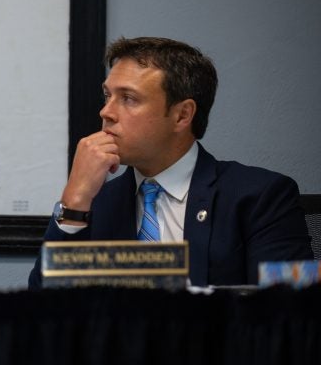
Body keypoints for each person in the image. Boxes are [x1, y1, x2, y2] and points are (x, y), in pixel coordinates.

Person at [29, 36, 312, 288]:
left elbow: (291, 314)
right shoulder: (95, 204)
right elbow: (45, 315)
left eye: (128, 98)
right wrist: (74, 202)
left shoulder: (261, 196)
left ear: (182, 115)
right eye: (107, 96)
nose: (106, 112)